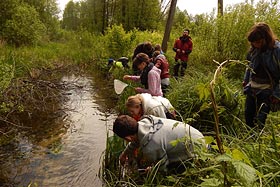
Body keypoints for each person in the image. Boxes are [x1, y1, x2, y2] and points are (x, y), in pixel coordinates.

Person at [113, 115, 206, 173]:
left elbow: (162, 166)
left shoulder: (151, 147)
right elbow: (136, 140)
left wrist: (153, 170)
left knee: (173, 170)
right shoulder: (145, 123)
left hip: (198, 151)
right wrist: (124, 154)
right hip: (198, 136)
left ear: (128, 138)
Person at [242, 22, 280, 128]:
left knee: (260, 119)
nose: (256, 45)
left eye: (258, 42)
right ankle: (250, 140)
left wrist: (277, 95)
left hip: (268, 89)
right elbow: (249, 66)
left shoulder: (277, 50)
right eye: (254, 43)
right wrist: (245, 81)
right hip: (252, 86)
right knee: (248, 116)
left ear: (266, 38)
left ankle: (257, 142)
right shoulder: (254, 50)